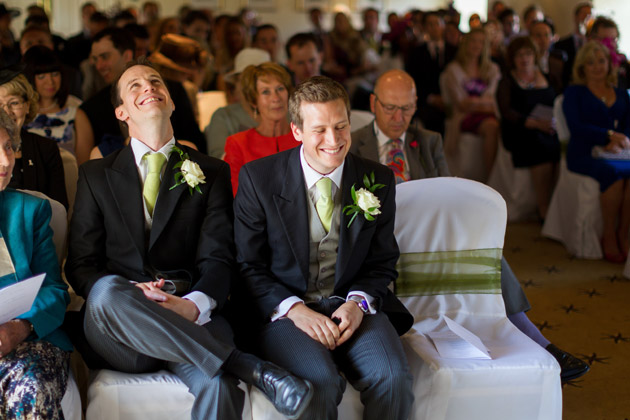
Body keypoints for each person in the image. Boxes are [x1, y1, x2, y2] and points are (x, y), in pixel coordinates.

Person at [65, 58, 312, 420]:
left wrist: (193, 304)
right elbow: (81, 265)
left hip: (190, 315)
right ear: (121, 112)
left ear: (172, 101)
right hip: (123, 329)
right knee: (104, 291)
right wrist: (134, 294)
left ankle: (228, 366)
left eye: (155, 82)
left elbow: (219, 258)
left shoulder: (211, 171)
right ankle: (249, 366)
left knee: (219, 386)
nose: (148, 87)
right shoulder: (95, 175)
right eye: (135, 86)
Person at [351, 69, 589, 382]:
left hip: (433, 231)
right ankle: (534, 341)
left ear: (416, 105)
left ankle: (536, 341)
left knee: (487, 253)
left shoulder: (428, 140)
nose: (399, 117)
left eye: (407, 108)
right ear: (373, 102)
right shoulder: (354, 144)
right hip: (384, 236)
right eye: (390, 108)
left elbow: (448, 193)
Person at [233, 75, 415, 419]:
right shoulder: (259, 178)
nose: (333, 140)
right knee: (319, 383)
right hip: (285, 311)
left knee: (392, 378)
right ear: (297, 131)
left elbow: (382, 261)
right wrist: (294, 309)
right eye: (319, 130)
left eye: (341, 126)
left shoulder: (377, 179)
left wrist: (358, 302)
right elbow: (246, 265)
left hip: (350, 304)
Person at [0, 108, 73, 419]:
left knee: (30, 389)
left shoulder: (30, 211)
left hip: (30, 341)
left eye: (7, 147)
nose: (5, 161)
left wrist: (20, 327)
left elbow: (55, 291)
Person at [81, 27, 206, 154]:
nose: (99, 66)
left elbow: (195, 139)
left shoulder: (172, 91)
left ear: (127, 55)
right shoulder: (91, 109)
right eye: (95, 59)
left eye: (105, 57)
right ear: (120, 112)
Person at [563, 41, 630, 263]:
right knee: (613, 175)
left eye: (601, 61)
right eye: (590, 63)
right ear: (582, 67)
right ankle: (609, 235)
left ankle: (624, 234)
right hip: (584, 152)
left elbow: (628, 126)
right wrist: (608, 136)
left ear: (609, 64)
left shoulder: (621, 93)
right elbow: (576, 127)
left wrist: (621, 141)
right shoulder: (574, 93)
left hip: (618, 152)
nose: (597, 67)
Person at [497, 36, 560, 219]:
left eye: (528, 54)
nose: (524, 59)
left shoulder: (549, 77)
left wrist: (554, 122)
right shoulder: (507, 82)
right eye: (519, 55)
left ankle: (556, 206)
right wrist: (535, 124)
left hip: (548, 127)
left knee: (559, 146)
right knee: (540, 144)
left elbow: (559, 104)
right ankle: (543, 207)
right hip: (520, 130)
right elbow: (507, 112)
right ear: (512, 59)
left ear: (535, 55)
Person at [224, 62, 299, 196]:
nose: (276, 98)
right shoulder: (238, 144)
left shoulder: (304, 138)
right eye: (266, 92)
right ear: (254, 101)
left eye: (280, 89)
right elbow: (236, 195)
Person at [0, 68, 67, 209]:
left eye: (14, 103)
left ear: (27, 106)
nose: (6, 111)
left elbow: (59, 208)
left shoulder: (46, 148)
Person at [440, 28, 501, 180]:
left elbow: (494, 99)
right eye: (473, 41)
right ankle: (490, 178)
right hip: (464, 117)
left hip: (487, 113)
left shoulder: (492, 69)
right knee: (492, 126)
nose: (476, 45)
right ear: (465, 43)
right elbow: (462, 104)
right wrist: (484, 104)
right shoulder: (453, 70)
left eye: (481, 42)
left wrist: (475, 102)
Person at [22, 46, 93, 165]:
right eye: (41, 77)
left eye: (55, 74)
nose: (50, 82)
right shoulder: (20, 114)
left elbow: (85, 165)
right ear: (30, 79)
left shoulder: (76, 114)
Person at [204, 48, 269, 159]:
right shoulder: (223, 116)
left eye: (260, 80)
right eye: (245, 80)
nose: (251, 86)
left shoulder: (285, 113)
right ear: (236, 84)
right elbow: (218, 159)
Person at [405, 11, 457, 135]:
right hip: (426, 102)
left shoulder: (455, 51)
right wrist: (431, 99)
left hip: (452, 100)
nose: (434, 28)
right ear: (424, 27)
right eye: (430, 24)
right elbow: (412, 80)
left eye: (437, 24)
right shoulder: (416, 53)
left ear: (443, 26)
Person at [554, 2, 592, 89]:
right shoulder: (560, 45)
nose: (587, 18)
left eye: (590, 15)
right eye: (584, 14)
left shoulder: (595, 45)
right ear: (575, 17)